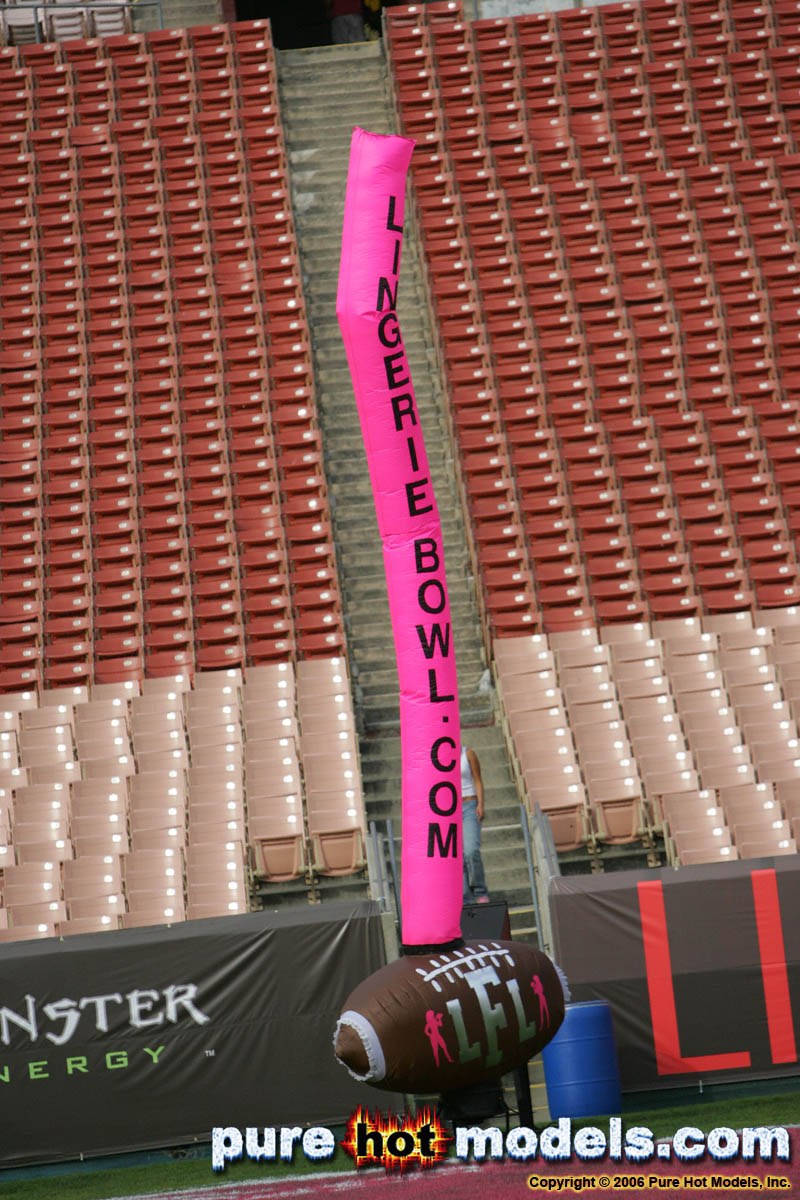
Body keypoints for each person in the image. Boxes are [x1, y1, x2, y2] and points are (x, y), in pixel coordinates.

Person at [462, 741, 489, 904]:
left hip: (469, 804)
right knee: (458, 857)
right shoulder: (438, 758)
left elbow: (478, 780)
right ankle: (465, 897)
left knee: (471, 850)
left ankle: (480, 890)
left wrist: (481, 804)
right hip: (449, 808)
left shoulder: (468, 753)